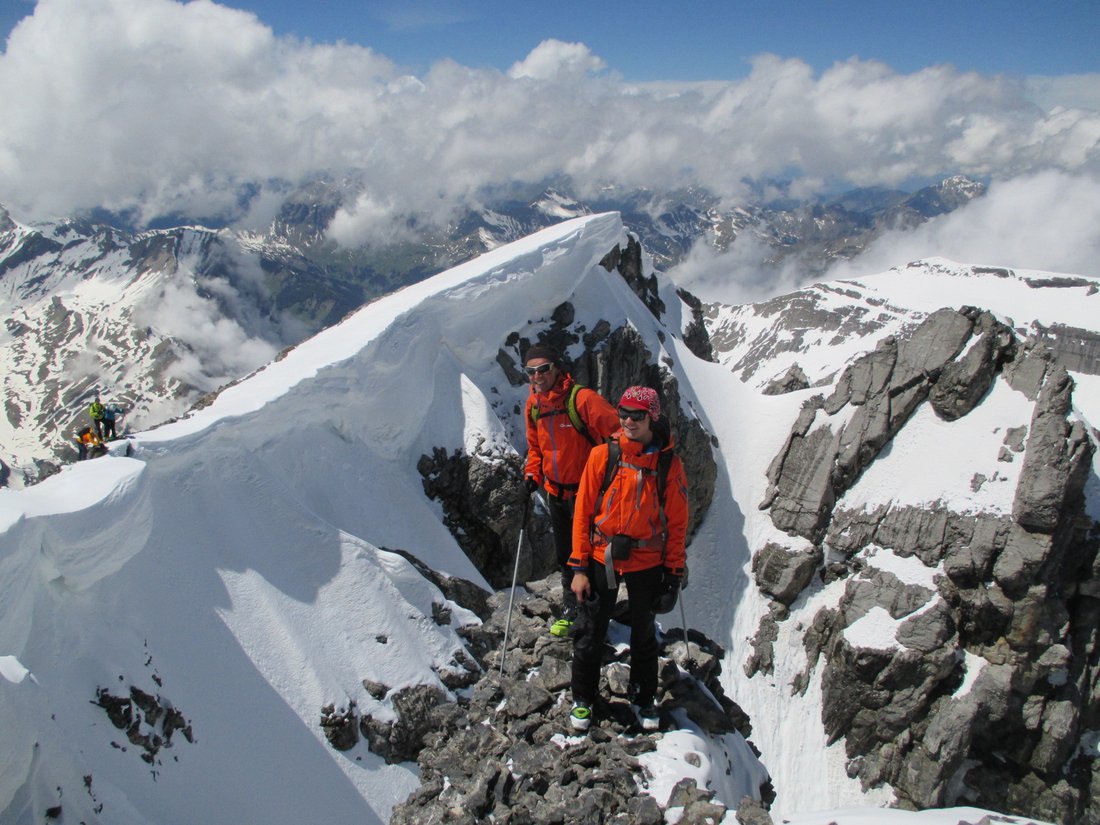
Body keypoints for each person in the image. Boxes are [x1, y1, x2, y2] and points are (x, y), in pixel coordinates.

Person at [566, 386, 688, 732]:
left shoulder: (668, 463)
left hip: (647, 559)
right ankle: (583, 698)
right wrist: (578, 566)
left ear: (653, 417)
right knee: (591, 630)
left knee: (644, 633)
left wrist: (673, 572)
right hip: (601, 555)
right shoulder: (603, 456)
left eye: (638, 415)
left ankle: (643, 698)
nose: (629, 421)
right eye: (623, 413)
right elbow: (583, 512)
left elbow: (677, 522)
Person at [523, 345, 620, 636]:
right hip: (556, 493)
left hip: (588, 494)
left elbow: (617, 432)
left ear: (556, 368)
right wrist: (532, 474)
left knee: (590, 555)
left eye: (543, 369)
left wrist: (609, 473)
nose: (537, 376)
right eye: (531, 372)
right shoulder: (535, 406)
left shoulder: (582, 399)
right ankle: (572, 606)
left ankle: (592, 616)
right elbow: (535, 448)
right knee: (567, 554)